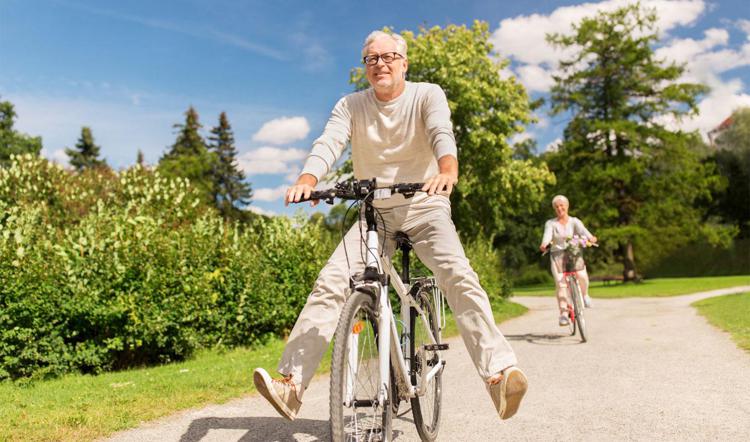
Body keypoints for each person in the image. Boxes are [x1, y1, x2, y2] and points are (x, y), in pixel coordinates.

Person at [252, 30, 528, 422]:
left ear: (404, 62)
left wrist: (448, 169)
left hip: (425, 204)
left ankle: (499, 375)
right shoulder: (350, 105)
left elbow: (440, 132)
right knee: (331, 282)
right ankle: (292, 386)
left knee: (458, 275)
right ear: (365, 66)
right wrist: (308, 180)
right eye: (371, 59)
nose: (380, 63)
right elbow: (328, 143)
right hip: (374, 212)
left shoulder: (426, 94)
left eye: (388, 56)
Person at [539, 195, 597, 326]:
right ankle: (564, 313)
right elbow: (547, 236)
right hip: (557, 255)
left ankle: (585, 295)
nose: (560, 208)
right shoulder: (551, 223)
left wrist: (590, 238)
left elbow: (584, 232)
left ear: (567, 206)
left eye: (562, 205)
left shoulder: (574, 221)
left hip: (573, 253)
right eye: (557, 207)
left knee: (582, 275)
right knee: (561, 283)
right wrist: (544, 244)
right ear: (555, 209)